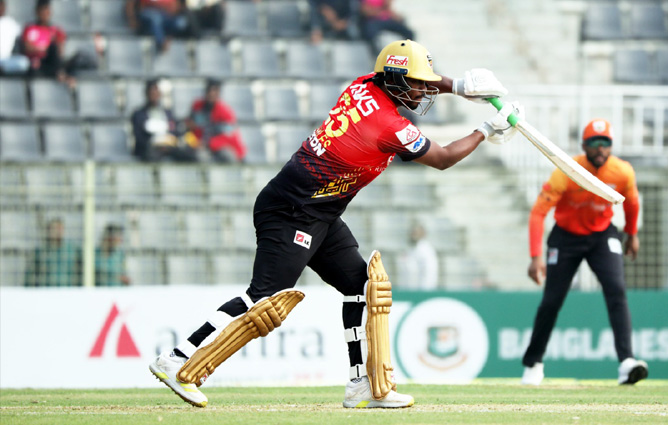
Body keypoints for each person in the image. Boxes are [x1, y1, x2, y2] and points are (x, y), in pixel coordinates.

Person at [149, 39, 519, 409]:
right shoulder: (389, 125)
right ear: (394, 80)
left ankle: (361, 384)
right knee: (264, 299)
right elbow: (442, 158)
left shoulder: (364, 83)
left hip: (319, 212)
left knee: (362, 288)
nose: (424, 90)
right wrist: (486, 130)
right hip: (291, 211)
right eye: (418, 83)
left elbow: (411, 81)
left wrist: (460, 87)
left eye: (427, 82)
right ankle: (176, 359)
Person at [521, 119, 648, 386]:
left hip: (602, 235)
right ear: (583, 145)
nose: (600, 148)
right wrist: (535, 256)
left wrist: (632, 234)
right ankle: (533, 364)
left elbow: (632, 204)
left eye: (605, 143)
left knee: (617, 290)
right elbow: (538, 213)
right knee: (552, 300)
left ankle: (627, 363)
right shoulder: (567, 170)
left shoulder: (622, 172)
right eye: (594, 142)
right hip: (566, 237)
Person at [131, 79, 195, 162]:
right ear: (146, 93)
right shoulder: (139, 115)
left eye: (156, 91)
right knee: (152, 156)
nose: (154, 94)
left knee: (190, 155)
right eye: (151, 92)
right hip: (150, 149)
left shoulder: (167, 113)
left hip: (168, 147)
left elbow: (174, 129)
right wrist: (156, 142)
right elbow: (139, 138)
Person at [185, 78, 246, 163]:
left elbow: (229, 136)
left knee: (224, 155)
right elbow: (190, 126)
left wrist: (208, 143)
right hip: (201, 146)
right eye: (209, 91)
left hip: (222, 147)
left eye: (215, 91)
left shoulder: (225, 112)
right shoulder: (197, 106)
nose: (211, 94)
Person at [20, 0, 74, 87]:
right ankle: (61, 74)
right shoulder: (30, 28)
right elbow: (27, 47)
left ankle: (60, 73)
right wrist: (45, 48)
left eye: (47, 10)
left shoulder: (56, 30)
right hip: (36, 63)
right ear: (37, 11)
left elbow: (60, 51)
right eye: (42, 10)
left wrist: (43, 48)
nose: (44, 13)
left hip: (51, 62)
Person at [24, 218, 82, 287]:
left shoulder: (72, 250)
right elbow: (30, 276)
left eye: (60, 228)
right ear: (49, 231)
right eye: (54, 228)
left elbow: (81, 272)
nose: (58, 231)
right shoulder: (41, 252)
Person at [125, 0, 196, 52]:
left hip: (166, 17)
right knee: (156, 18)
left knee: (181, 22)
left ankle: (169, 37)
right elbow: (130, 3)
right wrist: (132, 19)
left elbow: (176, 6)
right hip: (148, 13)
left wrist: (172, 11)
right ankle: (161, 43)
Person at [400, 222, 439, 290]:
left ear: (422, 233)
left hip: (422, 289)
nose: (413, 234)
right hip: (409, 289)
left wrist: (425, 290)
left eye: (416, 232)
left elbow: (429, 271)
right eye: (413, 232)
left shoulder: (426, 249)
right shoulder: (410, 249)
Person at [0, 0, 30, 74]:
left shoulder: (11, 23)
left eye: (2, 6)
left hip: (7, 60)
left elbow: (22, 38)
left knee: (23, 62)